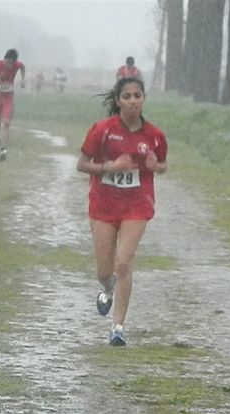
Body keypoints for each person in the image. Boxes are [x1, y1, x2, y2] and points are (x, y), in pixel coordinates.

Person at [76, 77, 168, 346]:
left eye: (137, 95)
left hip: (136, 206)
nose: (132, 101)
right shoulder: (102, 130)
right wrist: (109, 168)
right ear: (117, 101)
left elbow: (162, 165)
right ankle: (106, 288)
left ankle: (118, 327)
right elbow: (81, 164)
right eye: (126, 96)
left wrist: (155, 166)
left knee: (124, 263)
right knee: (105, 271)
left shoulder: (153, 135)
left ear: (143, 99)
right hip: (104, 205)